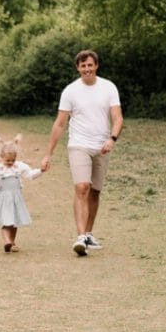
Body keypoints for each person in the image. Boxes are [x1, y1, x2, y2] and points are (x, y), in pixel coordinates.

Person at [40, 50, 124, 257]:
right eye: (83, 66)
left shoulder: (108, 87)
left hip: (102, 146)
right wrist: (48, 154)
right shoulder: (70, 91)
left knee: (95, 191)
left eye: (90, 65)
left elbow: (118, 118)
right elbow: (60, 124)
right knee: (82, 187)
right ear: (78, 68)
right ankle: (80, 237)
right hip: (79, 145)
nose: (87, 69)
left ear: (96, 66)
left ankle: (88, 233)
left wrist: (111, 139)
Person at [0, 135, 43, 253]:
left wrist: (41, 170)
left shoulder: (19, 166)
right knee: (6, 221)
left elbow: (30, 175)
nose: (10, 162)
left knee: (14, 222)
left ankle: (12, 242)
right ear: (1, 157)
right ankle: (7, 242)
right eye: (8, 160)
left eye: (13, 160)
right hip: (4, 199)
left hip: (16, 199)